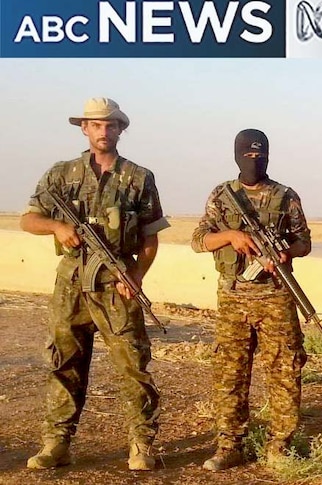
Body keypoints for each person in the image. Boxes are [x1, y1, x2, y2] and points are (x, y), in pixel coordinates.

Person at [22, 98, 168, 471]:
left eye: (111, 125)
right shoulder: (61, 174)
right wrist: (57, 226)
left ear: (120, 130)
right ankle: (57, 443)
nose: (104, 132)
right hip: (71, 283)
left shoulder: (138, 177)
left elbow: (150, 237)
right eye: (96, 125)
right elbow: (29, 219)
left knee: (133, 365)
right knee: (65, 363)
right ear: (84, 129)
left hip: (117, 282)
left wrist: (135, 277)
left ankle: (141, 444)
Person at [191, 129, 311, 471]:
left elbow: (305, 242)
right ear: (237, 156)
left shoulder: (285, 196)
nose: (254, 161)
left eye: (260, 156)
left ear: (268, 157)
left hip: (276, 296)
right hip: (233, 297)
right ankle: (230, 445)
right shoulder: (222, 195)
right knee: (230, 373)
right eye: (248, 155)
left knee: (285, 371)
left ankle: (280, 445)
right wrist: (231, 236)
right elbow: (199, 240)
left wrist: (285, 251)